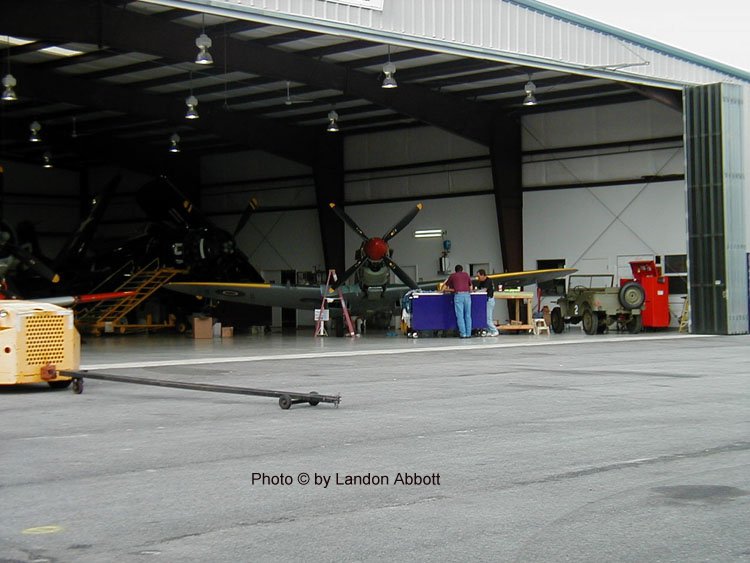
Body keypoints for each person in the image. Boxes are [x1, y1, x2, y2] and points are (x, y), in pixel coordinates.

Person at [443, 264, 473, 338]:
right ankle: (469, 334)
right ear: (462, 270)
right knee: (468, 315)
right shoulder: (466, 275)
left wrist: (449, 289)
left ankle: (463, 334)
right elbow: (471, 287)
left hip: (458, 295)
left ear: (455, 270)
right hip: (467, 295)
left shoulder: (453, 276)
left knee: (460, 315)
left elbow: (444, 287)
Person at [475, 269, 499, 336]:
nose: (478, 278)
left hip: (489, 300)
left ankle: (494, 331)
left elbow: (484, 290)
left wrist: (476, 291)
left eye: (479, 276)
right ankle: (489, 331)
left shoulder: (488, 281)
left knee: (488, 318)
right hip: (484, 301)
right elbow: (479, 289)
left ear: (483, 275)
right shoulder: (481, 282)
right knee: (485, 317)